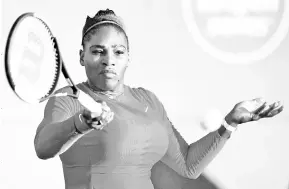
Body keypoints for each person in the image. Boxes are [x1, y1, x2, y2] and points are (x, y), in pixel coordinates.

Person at [34, 9, 284, 189]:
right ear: (81, 57)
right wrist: (81, 123)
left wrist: (230, 123)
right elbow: (43, 147)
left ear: (128, 58)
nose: (109, 59)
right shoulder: (67, 100)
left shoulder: (148, 101)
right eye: (98, 51)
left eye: (118, 52)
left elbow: (188, 166)